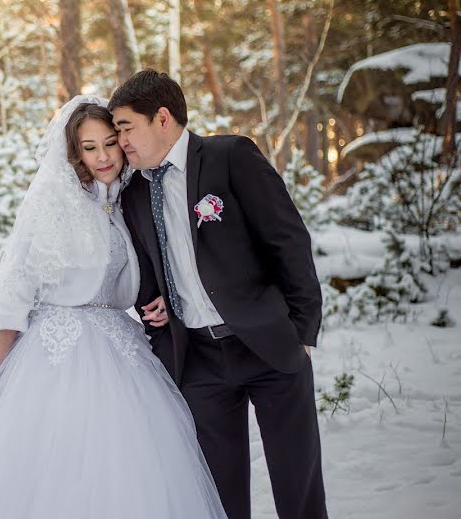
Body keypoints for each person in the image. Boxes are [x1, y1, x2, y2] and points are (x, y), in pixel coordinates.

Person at [0, 95, 226, 519]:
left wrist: (154, 302)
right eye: (89, 147)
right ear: (74, 152)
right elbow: (16, 287)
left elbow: (135, 273)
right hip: (54, 350)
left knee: (121, 464)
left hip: (120, 346)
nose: (103, 156)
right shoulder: (54, 201)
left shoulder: (124, 200)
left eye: (109, 143)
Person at [111, 69, 328, 519]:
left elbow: (288, 241)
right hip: (199, 361)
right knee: (219, 496)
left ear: (163, 118)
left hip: (269, 346)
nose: (121, 142)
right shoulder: (132, 193)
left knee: (298, 487)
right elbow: (150, 273)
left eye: (126, 128)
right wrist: (157, 308)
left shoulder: (230, 156)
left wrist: (303, 332)